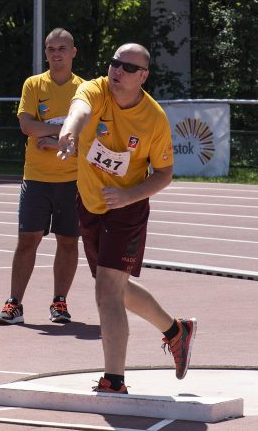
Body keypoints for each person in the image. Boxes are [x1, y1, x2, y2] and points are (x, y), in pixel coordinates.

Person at [57, 43, 194, 394]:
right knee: (118, 288)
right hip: (89, 202)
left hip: (127, 208)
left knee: (106, 292)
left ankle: (113, 380)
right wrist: (70, 131)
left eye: (128, 68)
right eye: (115, 64)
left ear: (143, 76)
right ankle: (176, 331)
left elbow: (163, 174)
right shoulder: (96, 89)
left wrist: (129, 195)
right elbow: (79, 109)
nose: (118, 71)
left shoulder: (154, 119)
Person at [0, 28, 83, 326]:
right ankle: (14, 304)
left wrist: (55, 137)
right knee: (27, 240)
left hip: (73, 180)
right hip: (36, 178)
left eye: (62, 48)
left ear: (73, 52)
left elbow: (87, 133)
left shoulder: (86, 89)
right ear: (45, 53)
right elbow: (27, 126)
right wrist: (63, 135)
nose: (56, 54)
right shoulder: (33, 85)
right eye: (50, 49)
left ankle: (60, 301)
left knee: (69, 242)